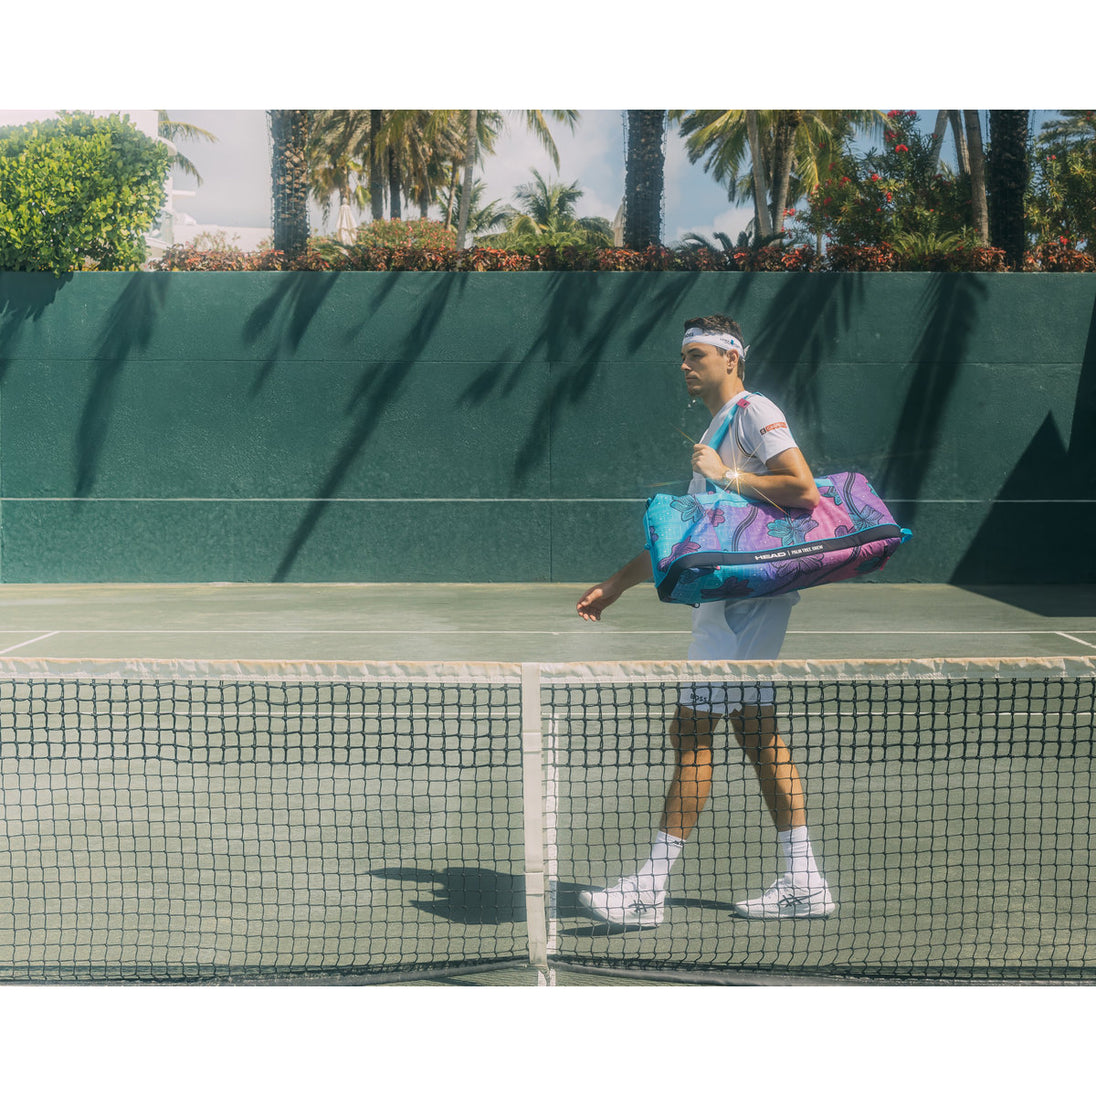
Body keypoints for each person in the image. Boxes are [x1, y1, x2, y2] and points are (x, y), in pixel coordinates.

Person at [575, 313, 835, 927]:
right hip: (729, 605)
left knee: (691, 734)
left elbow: (803, 489)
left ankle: (648, 891)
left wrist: (729, 475)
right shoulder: (717, 426)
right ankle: (805, 882)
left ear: (730, 358)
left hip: (745, 608)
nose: (685, 365)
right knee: (757, 736)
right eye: (684, 355)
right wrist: (615, 585)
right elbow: (689, 537)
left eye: (697, 355)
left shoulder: (754, 410)